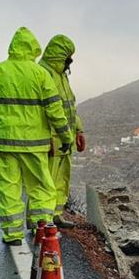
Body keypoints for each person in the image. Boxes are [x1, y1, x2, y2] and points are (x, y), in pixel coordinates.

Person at [0, 27, 74, 246]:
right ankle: (41, 229)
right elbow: (55, 110)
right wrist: (66, 137)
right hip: (34, 147)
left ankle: (12, 235)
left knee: (9, 189)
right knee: (41, 188)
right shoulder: (40, 74)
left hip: (4, 145)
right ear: (33, 48)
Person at [38, 35, 86, 228]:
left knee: (61, 179)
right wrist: (47, 137)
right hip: (52, 139)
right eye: (68, 56)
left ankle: (56, 215)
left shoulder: (61, 76)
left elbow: (69, 107)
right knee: (46, 181)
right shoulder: (44, 73)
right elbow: (43, 110)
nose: (70, 61)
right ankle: (43, 221)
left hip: (65, 138)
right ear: (59, 55)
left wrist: (79, 130)